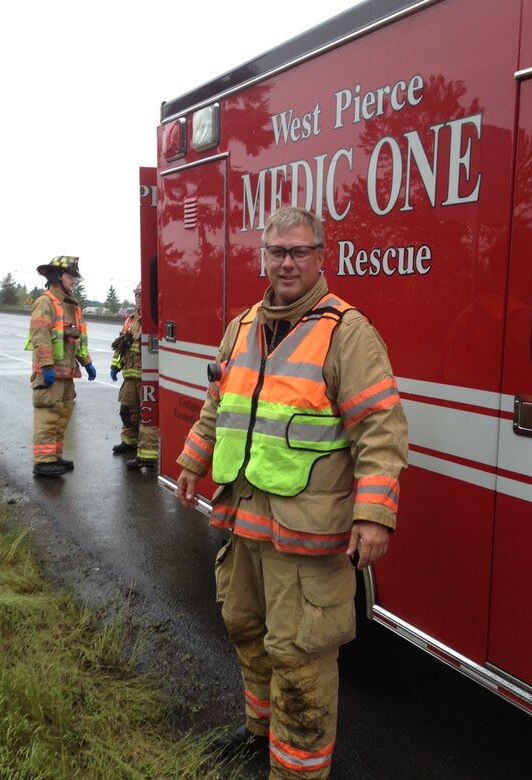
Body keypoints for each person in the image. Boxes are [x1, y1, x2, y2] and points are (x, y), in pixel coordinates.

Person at [176, 207, 409, 779]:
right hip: (244, 522)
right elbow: (219, 407)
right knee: (245, 629)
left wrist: (374, 515)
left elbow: (380, 427)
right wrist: (190, 461)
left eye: (299, 251)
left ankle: (297, 771)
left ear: (321, 257)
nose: (286, 262)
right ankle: (259, 733)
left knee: (301, 658)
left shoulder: (346, 332)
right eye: (277, 251)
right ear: (263, 256)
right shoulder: (243, 325)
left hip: (307, 536)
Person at [25, 256, 96, 477]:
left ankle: (54, 456)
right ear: (57, 277)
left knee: (62, 414)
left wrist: (87, 363)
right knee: (47, 415)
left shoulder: (72, 305)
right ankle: (43, 462)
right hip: (50, 374)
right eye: (70, 276)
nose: (73, 281)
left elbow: (79, 339)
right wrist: (46, 365)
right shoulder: (45, 301)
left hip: (66, 374)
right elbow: (40, 335)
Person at [110, 281, 159, 470]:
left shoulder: (154, 319)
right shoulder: (130, 320)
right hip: (130, 375)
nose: (139, 300)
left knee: (146, 416)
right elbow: (120, 346)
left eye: (143, 296)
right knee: (127, 410)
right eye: (137, 296)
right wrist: (115, 366)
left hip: (147, 376)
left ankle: (147, 455)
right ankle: (129, 441)